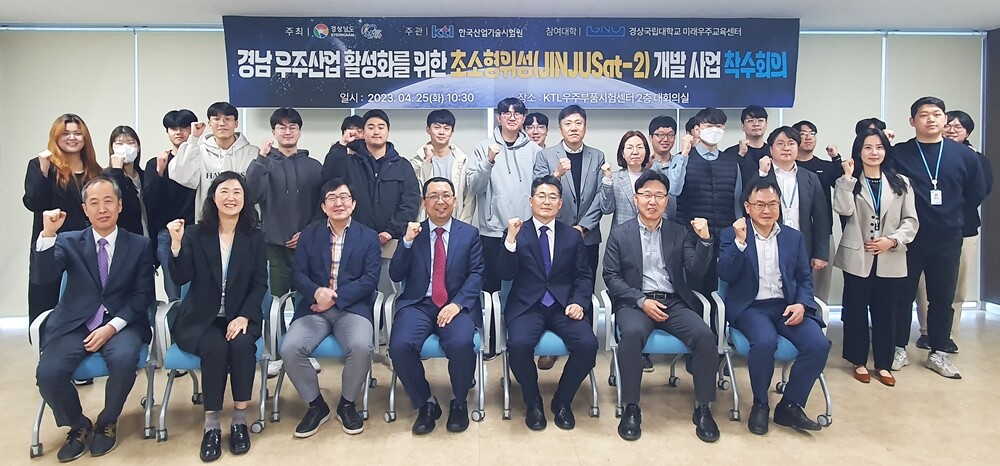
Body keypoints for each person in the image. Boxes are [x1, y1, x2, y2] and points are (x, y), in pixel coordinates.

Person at [31, 175, 155, 462]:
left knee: (124, 360)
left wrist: (112, 327)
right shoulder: (68, 241)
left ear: (120, 205)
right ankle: (78, 424)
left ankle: (107, 421)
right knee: (48, 373)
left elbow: (143, 296)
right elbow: (43, 277)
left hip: (120, 322)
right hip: (75, 324)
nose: (102, 209)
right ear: (85, 209)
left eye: (108, 201)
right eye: (95, 203)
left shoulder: (139, 245)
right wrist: (47, 233)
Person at [603, 170, 719, 442]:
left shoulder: (678, 232)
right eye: (646, 195)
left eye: (659, 195)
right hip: (635, 302)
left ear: (667, 200)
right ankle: (631, 407)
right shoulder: (620, 233)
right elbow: (611, 276)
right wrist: (641, 300)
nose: (652, 201)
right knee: (632, 334)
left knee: (705, 336)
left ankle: (703, 408)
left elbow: (696, 269)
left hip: (673, 302)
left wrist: (704, 240)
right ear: (636, 198)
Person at [718, 177, 831, 435]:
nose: (767, 210)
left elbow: (804, 279)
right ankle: (760, 404)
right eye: (760, 205)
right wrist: (739, 243)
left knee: (818, 345)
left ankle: (790, 405)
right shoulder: (733, 234)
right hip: (750, 306)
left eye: (772, 204)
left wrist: (801, 304)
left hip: (786, 306)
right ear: (747, 207)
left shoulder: (793, 237)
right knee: (765, 341)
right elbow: (725, 274)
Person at [166, 172, 266, 462]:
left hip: (240, 315)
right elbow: (181, 277)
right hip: (202, 317)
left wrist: (244, 316)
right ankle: (211, 426)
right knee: (215, 348)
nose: (230, 198)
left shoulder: (254, 237)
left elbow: (260, 282)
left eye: (237, 192)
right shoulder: (196, 234)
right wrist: (176, 245)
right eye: (224, 191)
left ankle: (239, 421)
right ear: (213, 197)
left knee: (242, 345)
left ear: (245, 199)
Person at [892, 97, 987, 378]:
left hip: (947, 236)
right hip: (909, 237)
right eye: (924, 115)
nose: (931, 119)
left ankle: (939, 352)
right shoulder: (900, 153)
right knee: (901, 296)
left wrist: (953, 215)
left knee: (942, 298)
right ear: (912, 121)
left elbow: (977, 191)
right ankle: (898, 348)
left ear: (944, 119)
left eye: (936, 114)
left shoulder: (964, 155)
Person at [279, 179, 381, 438]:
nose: (339, 203)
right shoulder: (309, 234)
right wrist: (316, 292)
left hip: (352, 309)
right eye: (332, 198)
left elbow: (370, 279)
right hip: (314, 309)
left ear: (353, 204)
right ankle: (316, 405)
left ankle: (347, 404)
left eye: (344, 197)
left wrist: (334, 297)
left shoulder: (368, 236)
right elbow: (297, 274)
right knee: (290, 349)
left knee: (361, 347)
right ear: (324, 207)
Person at [497, 175, 598, 431]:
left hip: (563, 305)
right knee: (518, 345)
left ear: (560, 204)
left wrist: (579, 302)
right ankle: (533, 401)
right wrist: (510, 240)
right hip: (527, 306)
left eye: (553, 197)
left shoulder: (572, 236)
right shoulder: (516, 232)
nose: (546, 201)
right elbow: (505, 273)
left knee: (588, 345)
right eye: (541, 196)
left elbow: (584, 275)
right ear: (530, 201)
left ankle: (562, 400)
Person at [387, 177, 484, 435]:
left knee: (462, 342)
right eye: (433, 196)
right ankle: (426, 403)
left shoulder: (469, 234)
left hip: (454, 305)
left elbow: (476, 274)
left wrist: (458, 304)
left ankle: (459, 401)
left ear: (454, 200)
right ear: (424, 203)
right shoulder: (414, 233)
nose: (440, 201)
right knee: (400, 346)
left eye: (445, 195)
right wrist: (406, 242)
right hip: (418, 304)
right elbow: (396, 274)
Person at [833, 128, 918, 387]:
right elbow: (843, 209)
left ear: (886, 151)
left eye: (879, 147)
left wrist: (892, 240)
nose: (874, 152)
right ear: (858, 152)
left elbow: (911, 220)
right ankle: (858, 360)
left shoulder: (901, 182)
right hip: (857, 255)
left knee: (886, 311)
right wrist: (847, 178)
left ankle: (883, 364)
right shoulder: (849, 182)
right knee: (855, 310)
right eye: (867, 147)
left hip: (890, 254)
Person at [913, 110, 994, 351]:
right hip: (924, 231)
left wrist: (952, 213)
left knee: (956, 285)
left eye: (958, 127)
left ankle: (948, 334)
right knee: (924, 287)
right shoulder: (922, 154)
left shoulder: (975, 159)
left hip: (963, 229)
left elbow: (980, 191)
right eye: (949, 125)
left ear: (968, 132)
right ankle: (927, 331)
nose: (951, 130)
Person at [467, 97, 541, 358]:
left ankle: (519, 339)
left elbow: (541, 190)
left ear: (523, 118)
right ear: (498, 118)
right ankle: (490, 340)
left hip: (524, 230)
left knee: (524, 285)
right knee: (490, 288)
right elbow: (474, 187)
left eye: (517, 113)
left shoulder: (534, 150)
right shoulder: (483, 147)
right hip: (492, 230)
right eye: (506, 113)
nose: (511, 117)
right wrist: (488, 161)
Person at [322, 109, 420, 295]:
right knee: (356, 295)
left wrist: (391, 231)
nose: (376, 131)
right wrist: (342, 145)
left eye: (381, 127)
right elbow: (328, 181)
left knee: (389, 297)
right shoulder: (349, 162)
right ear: (363, 132)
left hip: (390, 243)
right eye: (371, 127)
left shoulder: (402, 165)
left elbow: (411, 202)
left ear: (388, 131)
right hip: (354, 241)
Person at [23, 113, 102, 322]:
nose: (72, 138)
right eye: (66, 133)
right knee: (47, 300)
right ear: (56, 136)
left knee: (86, 303)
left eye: (78, 133)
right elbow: (34, 203)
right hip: (53, 244)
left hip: (87, 248)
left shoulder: (95, 170)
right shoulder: (42, 165)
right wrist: (44, 170)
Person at [667, 107, 754, 296]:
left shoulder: (731, 162)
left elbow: (736, 202)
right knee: (692, 293)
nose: (714, 130)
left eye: (719, 126)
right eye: (709, 126)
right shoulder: (682, 159)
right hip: (690, 239)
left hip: (724, 239)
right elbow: (673, 189)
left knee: (720, 293)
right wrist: (684, 153)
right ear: (697, 129)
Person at [247, 107, 323, 299]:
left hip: (307, 247)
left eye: (292, 127)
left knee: (306, 301)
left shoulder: (314, 166)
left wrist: (308, 232)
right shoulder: (264, 164)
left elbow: (322, 206)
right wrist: (261, 157)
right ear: (273, 132)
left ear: (300, 131)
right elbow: (251, 195)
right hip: (273, 248)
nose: (287, 132)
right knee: (273, 302)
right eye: (282, 127)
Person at [757, 127, 832, 283]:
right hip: (768, 245)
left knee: (800, 288)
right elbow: (749, 204)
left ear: (797, 148)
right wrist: (762, 175)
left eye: (791, 143)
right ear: (771, 149)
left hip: (802, 246)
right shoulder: (762, 175)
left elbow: (821, 218)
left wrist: (820, 253)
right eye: (780, 143)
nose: (786, 148)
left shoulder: (810, 178)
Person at [169, 102, 259, 219]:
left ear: (236, 123)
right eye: (216, 119)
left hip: (246, 219)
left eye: (227, 119)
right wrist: (193, 138)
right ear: (209, 124)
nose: (222, 123)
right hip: (209, 220)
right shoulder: (199, 152)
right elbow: (180, 176)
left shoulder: (253, 153)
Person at [144, 109, 198, 302]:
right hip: (166, 232)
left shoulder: (200, 159)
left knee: (198, 285)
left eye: (184, 127)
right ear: (167, 132)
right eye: (173, 128)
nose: (179, 132)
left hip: (196, 230)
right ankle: (174, 320)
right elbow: (150, 201)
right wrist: (159, 171)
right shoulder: (155, 163)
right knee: (173, 290)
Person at [791, 120, 842, 302]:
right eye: (803, 133)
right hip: (794, 231)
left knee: (820, 290)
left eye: (812, 133)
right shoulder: (788, 168)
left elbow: (844, 184)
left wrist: (836, 158)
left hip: (822, 233)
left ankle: (819, 318)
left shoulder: (825, 166)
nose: (808, 137)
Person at [410, 110, 476, 223]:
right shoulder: (417, 162)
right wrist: (427, 161)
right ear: (428, 130)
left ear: (452, 132)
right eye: (437, 127)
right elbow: (417, 195)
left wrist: (463, 226)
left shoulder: (462, 161)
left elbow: (469, 198)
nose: (441, 132)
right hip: (426, 224)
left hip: (456, 223)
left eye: (446, 128)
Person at [103, 126, 146, 237]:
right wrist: (117, 171)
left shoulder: (144, 175)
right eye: (119, 143)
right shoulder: (106, 176)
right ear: (112, 148)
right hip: (125, 236)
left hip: (147, 234)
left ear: (138, 147)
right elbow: (120, 203)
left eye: (130, 143)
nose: (125, 147)